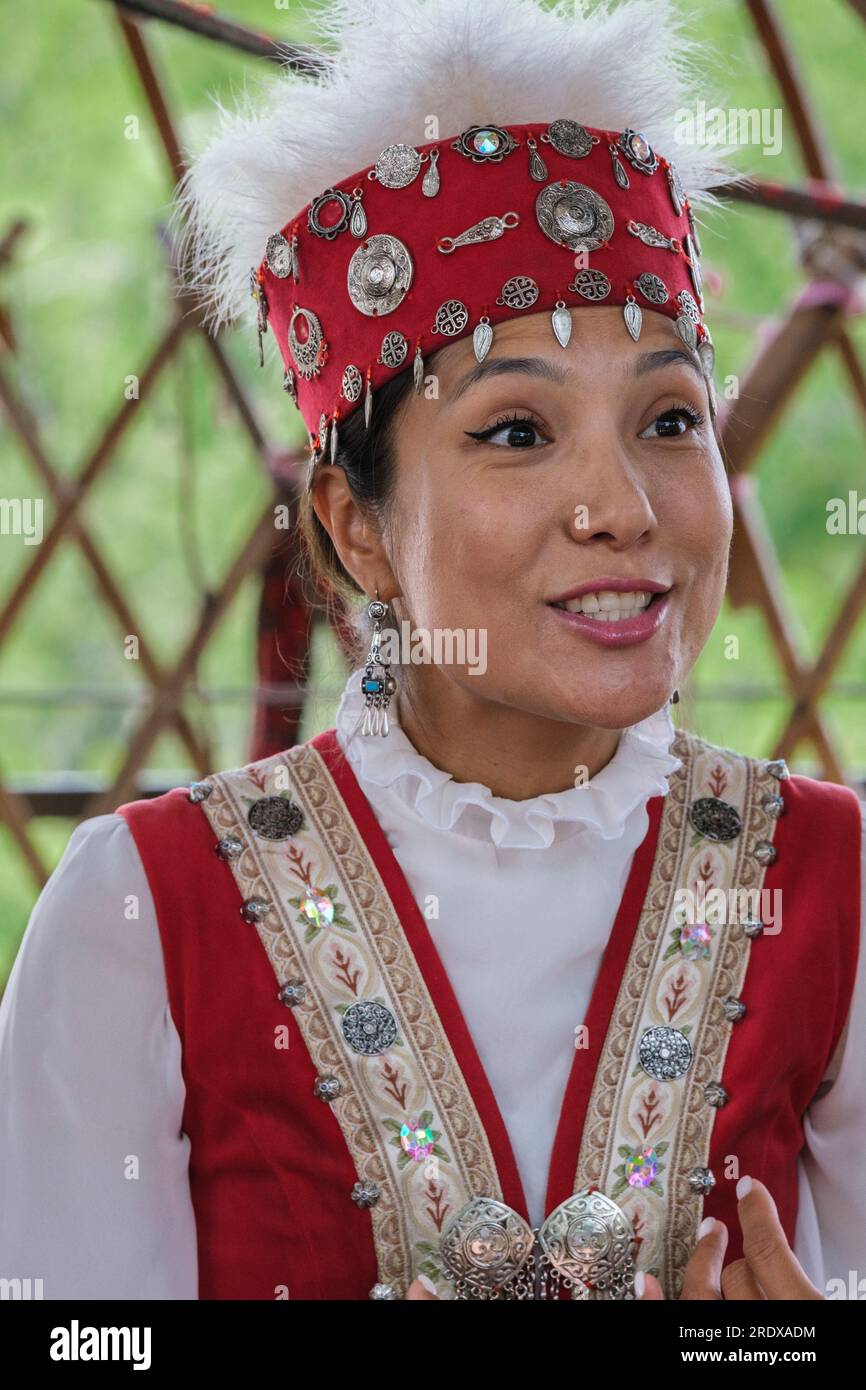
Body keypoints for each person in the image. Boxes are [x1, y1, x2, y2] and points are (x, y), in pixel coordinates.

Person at [0, 0, 863, 1302]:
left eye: (670, 417)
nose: (622, 506)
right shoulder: (141, 911)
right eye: (515, 431)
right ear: (355, 529)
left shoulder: (835, 887)